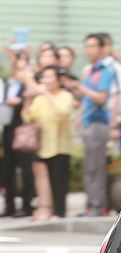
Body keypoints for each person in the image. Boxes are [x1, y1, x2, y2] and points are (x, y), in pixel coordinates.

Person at [64, 33, 115, 217]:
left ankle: (98, 206)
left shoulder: (105, 71)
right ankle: (90, 205)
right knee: (89, 167)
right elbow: (86, 98)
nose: (89, 50)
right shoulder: (91, 70)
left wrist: (81, 87)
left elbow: (101, 98)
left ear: (101, 49)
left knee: (95, 167)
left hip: (98, 123)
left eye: (93, 46)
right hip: (88, 122)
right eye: (87, 46)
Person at [21, 66, 74, 220]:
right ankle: (46, 209)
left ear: (58, 80)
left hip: (60, 145)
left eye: (50, 77)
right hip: (42, 145)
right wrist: (28, 99)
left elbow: (62, 113)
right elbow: (28, 118)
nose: (46, 80)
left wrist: (47, 94)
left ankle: (59, 212)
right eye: (44, 77)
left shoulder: (66, 96)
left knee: (59, 180)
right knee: (44, 181)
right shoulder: (39, 98)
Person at [1, 56, 34, 218]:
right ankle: (9, 206)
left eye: (23, 68)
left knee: (26, 169)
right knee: (7, 169)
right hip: (8, 130)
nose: (19, 72)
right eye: (17, 68)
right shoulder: (7, 85)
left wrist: (20, 100)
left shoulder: (28, 86)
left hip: (24, 130)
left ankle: (27, 206)